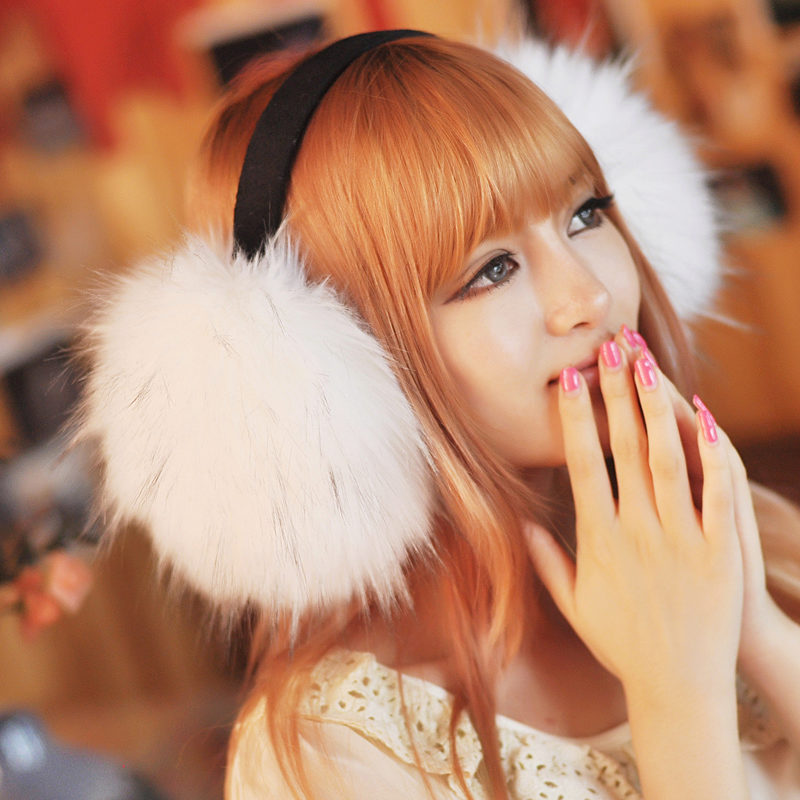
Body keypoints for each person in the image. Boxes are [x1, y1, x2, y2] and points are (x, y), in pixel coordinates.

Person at [74, 30, 800, 800]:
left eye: (586, 214)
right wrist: (678, 690)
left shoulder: (743, 540)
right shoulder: (332, 757)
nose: (587, 296)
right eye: (492, 269)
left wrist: (752, 625)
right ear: (337, 364)